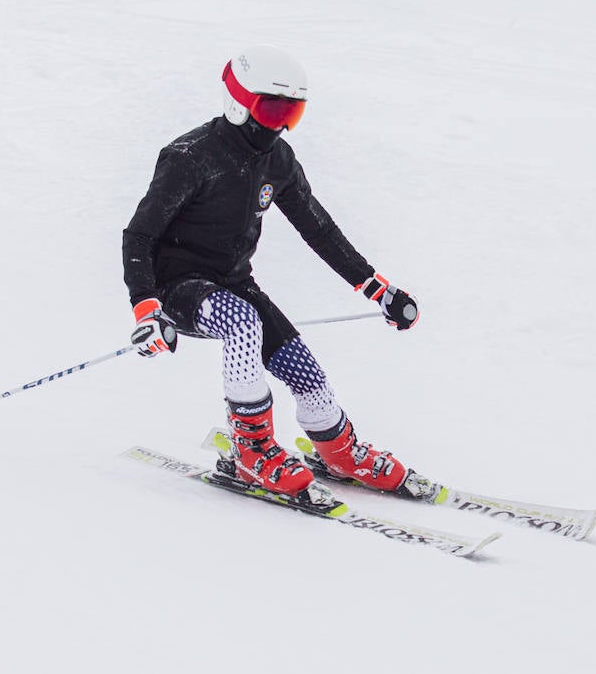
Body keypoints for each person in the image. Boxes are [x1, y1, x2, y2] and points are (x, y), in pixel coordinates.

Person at [122, 46, 426, 501]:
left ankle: (338, 452)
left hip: (233, 283)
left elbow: (318, 229)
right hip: (177, 289)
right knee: (242, 322)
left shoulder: (278, 161)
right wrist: (147, 309)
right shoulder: (190, 157)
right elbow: (139, 236)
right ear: (239, 103)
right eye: (272, 108)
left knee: (311, 380)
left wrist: (377, 289)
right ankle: (252, 451)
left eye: (292, 112)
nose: (280, 123)